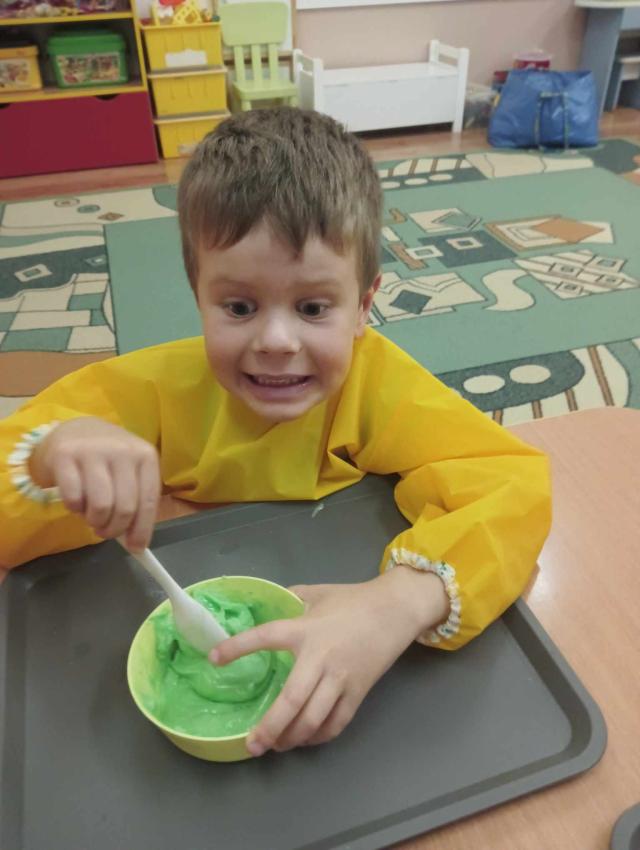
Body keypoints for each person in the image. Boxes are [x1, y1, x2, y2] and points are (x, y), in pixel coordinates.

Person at [0, 107, 551, 757]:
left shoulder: (378, 383)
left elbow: (513, 485)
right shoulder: (150, 389)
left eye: (313, 307)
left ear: (363, 306)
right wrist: (51, 455)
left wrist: (398, 604)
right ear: (199, 296)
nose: (277, 341)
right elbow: (19, 466)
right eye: (239, 307)